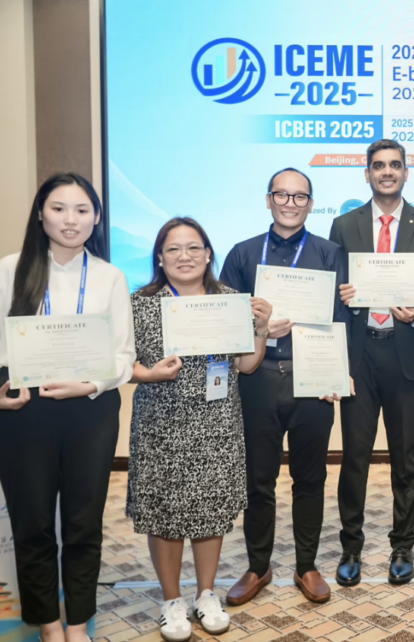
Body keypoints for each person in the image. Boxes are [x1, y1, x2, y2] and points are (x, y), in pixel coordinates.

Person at [0, 172, 135, 642]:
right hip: (22, 412)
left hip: (89, 411)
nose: (70, 219)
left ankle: (77, 624)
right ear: (41, 214)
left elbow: (123, 356)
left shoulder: (110, 276)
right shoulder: (9, 269)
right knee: (33, 525)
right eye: (59, 208)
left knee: (83, 525)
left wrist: (89, 384)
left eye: (82, 210)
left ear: (96, 218)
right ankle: (49, 625)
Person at [127, 217, 272, 641]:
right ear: (160, 258)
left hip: (217, 422)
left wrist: (261, 329)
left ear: (209, 254)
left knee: (211, 508)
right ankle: (172, 600)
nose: (184, 256)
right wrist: (150, 373)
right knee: (164, 512)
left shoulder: (230, 301)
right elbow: (121, 365)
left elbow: (246, 365)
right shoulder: (140, 304)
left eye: (194, 247)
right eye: (173, 249)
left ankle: (206, 594)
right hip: (161, 424)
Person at [220, 169, 348, 606]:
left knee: (310, 478)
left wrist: (336, 372)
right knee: (259, 480)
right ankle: (258, 566)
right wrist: (258, 327)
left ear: (311, 204)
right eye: (282, 195)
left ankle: (306, 565)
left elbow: (340, 320)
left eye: (299, 197)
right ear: (268, 199)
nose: (290, 203)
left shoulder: (329, 253)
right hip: (257, 378)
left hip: (312, 377)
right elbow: (226, 320)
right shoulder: (242, 253)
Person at [330, 139, 414, 586]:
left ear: (405, 173)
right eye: (378, 165)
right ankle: (351, 548)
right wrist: (341, 294)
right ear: (367, 173)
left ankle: (403, 546)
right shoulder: (344, 225)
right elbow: (330, 295)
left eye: (394, 165)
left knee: (405, 459)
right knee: (354, 458)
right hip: (359, 358)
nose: (386, 172)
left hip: (406, 358)